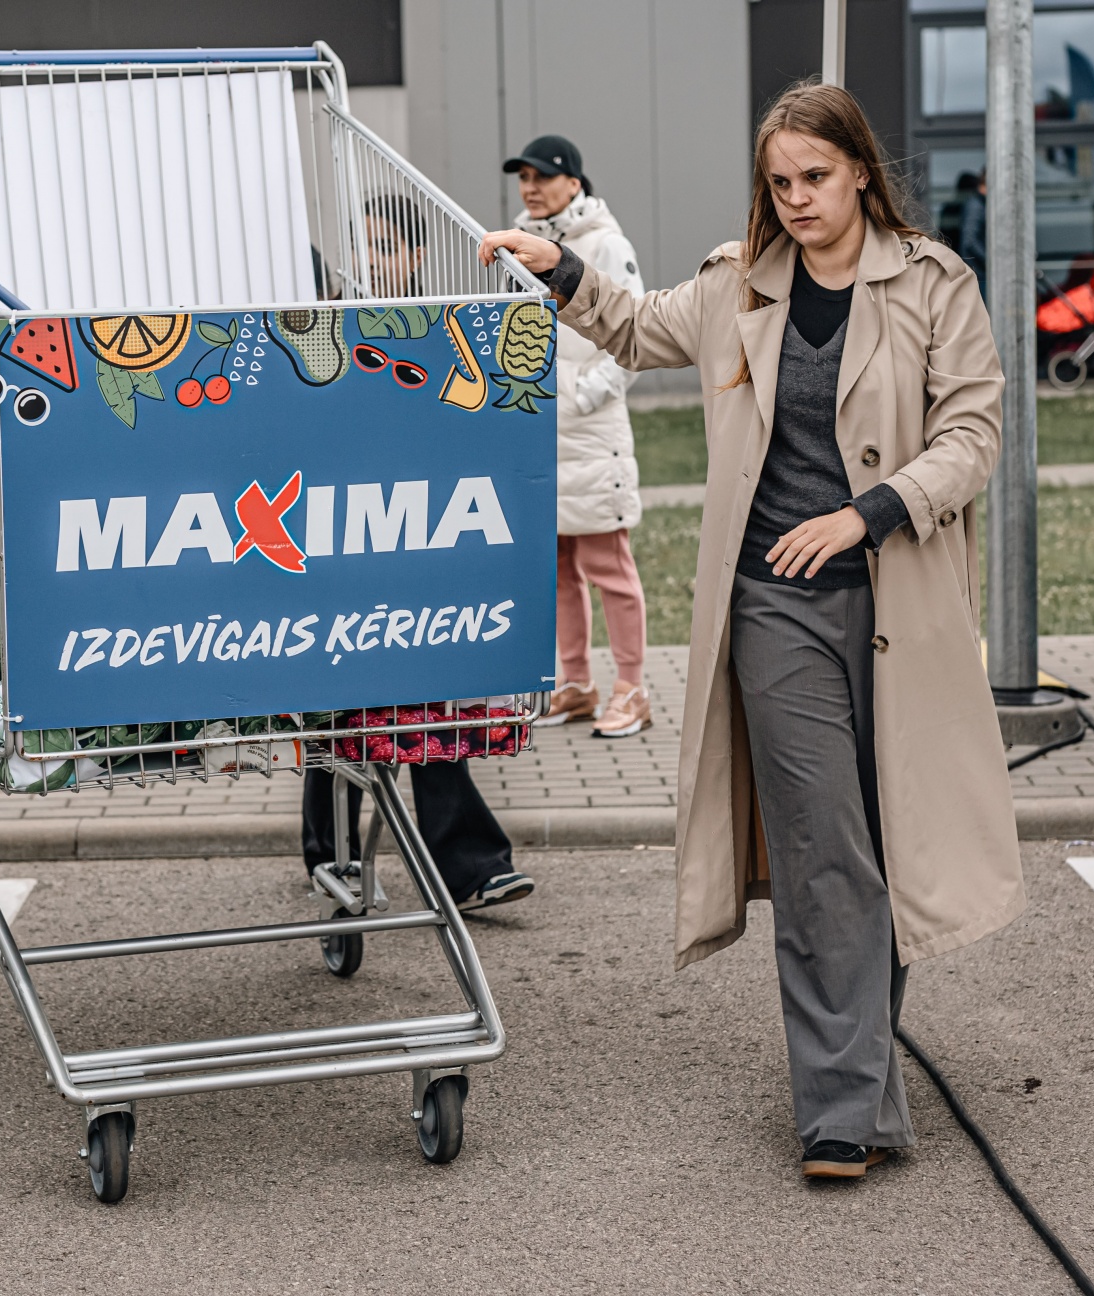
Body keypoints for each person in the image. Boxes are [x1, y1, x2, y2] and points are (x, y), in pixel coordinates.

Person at [479, 82, 1021, 1180]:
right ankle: (840, 1111)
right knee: (822, 845)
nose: (798, 199)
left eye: (815, 177)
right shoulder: (738, 284)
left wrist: (867, 515)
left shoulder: (934, 284)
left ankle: (860, 1077)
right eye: (780, 182)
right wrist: (562, 272)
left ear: (860, 170)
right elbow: (636, 329)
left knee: (882, 839)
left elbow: (972, 434)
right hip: (772, 604)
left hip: (901, 603)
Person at [302, 195, 534, 913]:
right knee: (341, 710)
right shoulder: (327, 324)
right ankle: (333, 856)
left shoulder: (441, 325)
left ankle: (470, 866)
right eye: (364, 246)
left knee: (426, 707)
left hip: (419, 535)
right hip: (340, 537)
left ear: (417, 255)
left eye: (387, 247)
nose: (373, 260)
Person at [502, 137, 652, 738]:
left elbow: (636, 334)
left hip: (590, 434)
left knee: (608, 566)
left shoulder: (606, 243)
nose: (530, 187)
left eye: (542, 176)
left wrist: (581, 396)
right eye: (523, 177)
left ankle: (632, 689)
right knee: (557, 568)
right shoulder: (518, 248)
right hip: (539, 432)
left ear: (574, 183)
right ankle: (577, 684)